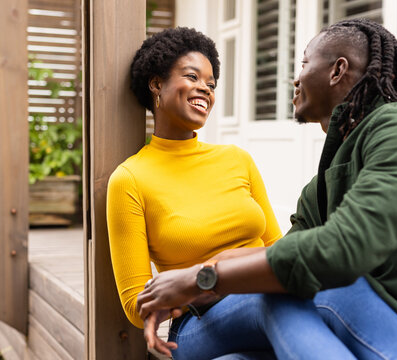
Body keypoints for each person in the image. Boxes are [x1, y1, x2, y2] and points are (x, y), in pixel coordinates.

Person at [137, 19, 397, 360]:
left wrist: (203, 278)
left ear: (337, 71)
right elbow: (282, 257)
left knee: (300, 289)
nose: (295, 77)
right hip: (350, 321)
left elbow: (340, 251)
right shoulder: (323, 182)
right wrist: (186, 287)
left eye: (305, 63)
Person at [106, 27, 284, 359]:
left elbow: (280, 249)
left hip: (262, 300)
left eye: (211, 83)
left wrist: (222, 264)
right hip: (198, 324)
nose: (205, 87)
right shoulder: (130, 178)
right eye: (192, 76)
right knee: (283, 303)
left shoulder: (237, 159)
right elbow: (136, 303)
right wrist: (216, 278)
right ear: (157, 83)